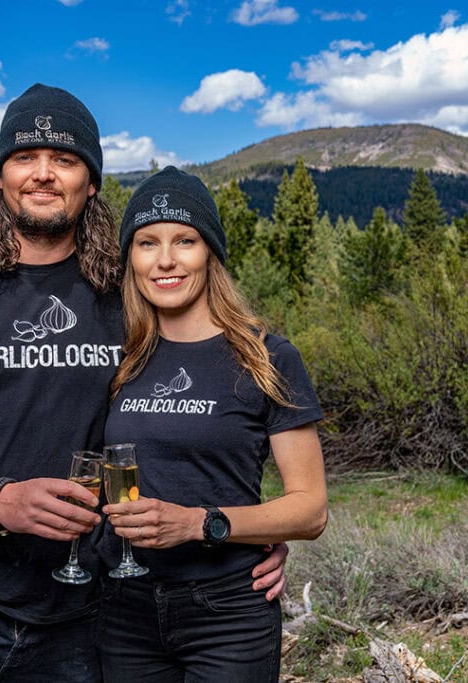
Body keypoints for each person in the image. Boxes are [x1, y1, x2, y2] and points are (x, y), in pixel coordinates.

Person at [0, 83, 286, 682]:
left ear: (91, 183)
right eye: (25, 157)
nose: (43, 174)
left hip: (94, 608)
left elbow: (200, 409)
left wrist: (235, 536)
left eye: (65, 159)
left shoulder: (131, 293)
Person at [97, 166, 328, 682]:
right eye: (146, 243)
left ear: (211, 253)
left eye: (185, 240)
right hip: (122, 609)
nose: (165, 260)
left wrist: (203, 524)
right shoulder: (118, 355)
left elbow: (310, 509)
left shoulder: (266, 357)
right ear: (130, 258)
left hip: (227, 611)